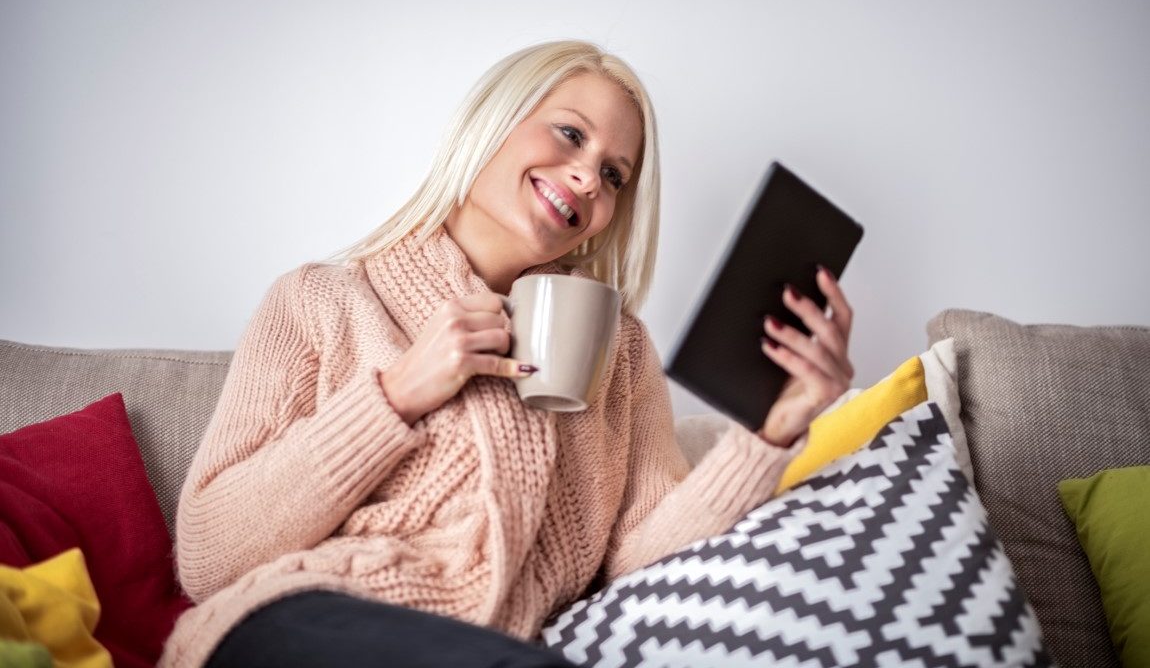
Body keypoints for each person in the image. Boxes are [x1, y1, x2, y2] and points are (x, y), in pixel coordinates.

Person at [158, 40, 854, 668]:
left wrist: (772, 430)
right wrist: (395, 394)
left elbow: (641, 557)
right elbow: (208, 558)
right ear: (493, 122)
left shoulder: (620, 354)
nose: (587, 177)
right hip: (292, 626)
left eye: (614, 174)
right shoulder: (319, 301)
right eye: (571, 134)